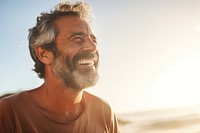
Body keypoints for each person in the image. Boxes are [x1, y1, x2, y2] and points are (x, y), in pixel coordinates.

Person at [0, 1, 119, 133]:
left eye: (94, 40)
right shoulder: (8, 112)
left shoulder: (103, 111)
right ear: (44, 54)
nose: (93, 47)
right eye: (78, 38)